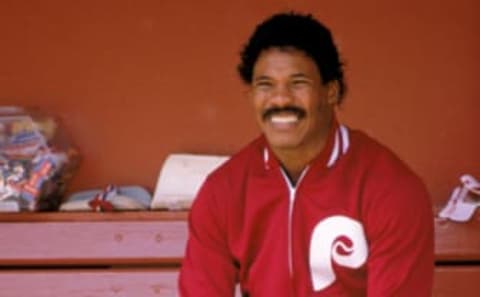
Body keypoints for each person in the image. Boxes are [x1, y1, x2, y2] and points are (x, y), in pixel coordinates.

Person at [178, 12, 434, 297]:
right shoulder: (223, 192)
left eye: (298, 83)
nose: (280, 99)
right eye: (265, 85)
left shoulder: (390, 188)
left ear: (331, 92)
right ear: (251, 95)